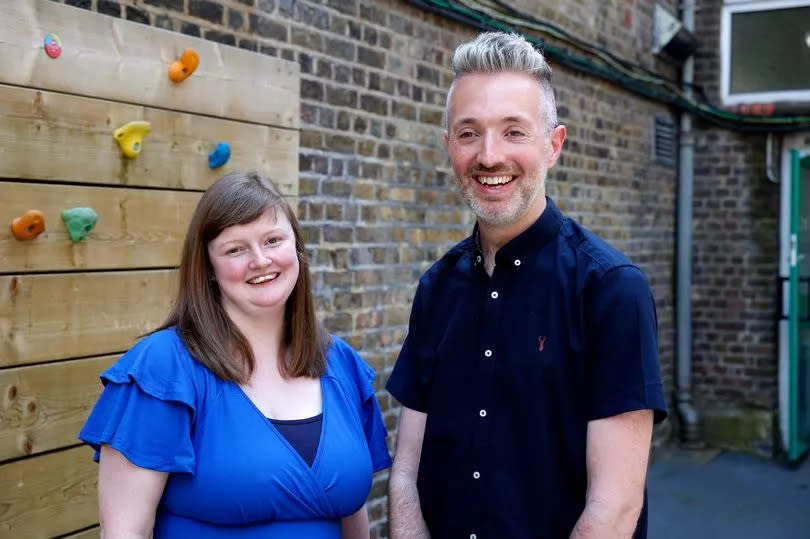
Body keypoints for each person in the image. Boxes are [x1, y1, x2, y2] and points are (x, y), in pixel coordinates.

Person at [386, 32, 668, 539]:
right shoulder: (437, 288)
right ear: (449, 145)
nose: (489, 156)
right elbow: (406, 473)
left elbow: (615, 507)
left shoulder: (610, 292)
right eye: (469, 133)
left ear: (553, 145)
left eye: (513, 131)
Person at [79, 172, 391, 538]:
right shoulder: (163, 369)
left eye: (273, 240)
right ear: (208, 268)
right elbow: (124, 533)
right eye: (235, 249)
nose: (260, 260)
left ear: (297, 248)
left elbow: (353, 521)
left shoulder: (341, 364)